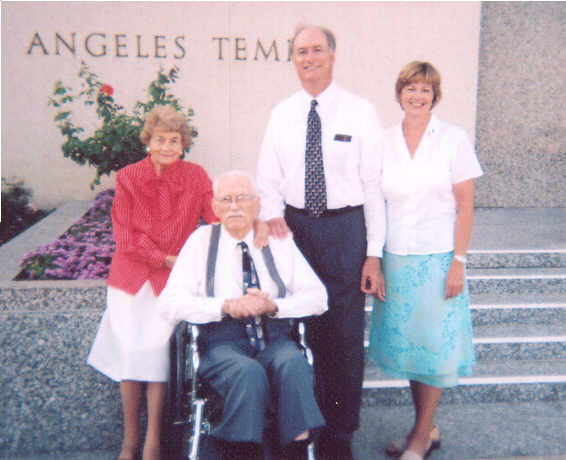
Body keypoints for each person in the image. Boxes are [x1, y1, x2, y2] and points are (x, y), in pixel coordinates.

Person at [86, 106, 269, 460]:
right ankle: (129, 441)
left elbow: (218, 214)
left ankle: (153, 440)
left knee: (156, 355)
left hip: (173, 282)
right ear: (148, 142)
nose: (167, 146)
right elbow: (125, 237)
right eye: (160, 140)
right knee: (130, 355)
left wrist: (254, 220)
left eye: (174, 140)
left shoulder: (197, 176)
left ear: (183, 144)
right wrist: (165, 259)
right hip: (133, 279)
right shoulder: (127, 177)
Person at [256, 24, 386, 459]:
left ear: (332, 55)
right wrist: (273, 216)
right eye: (300, 52)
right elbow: (268, 178)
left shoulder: (360, 112)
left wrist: (373, 255)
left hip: (345, 230)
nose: (308, 58)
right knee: (294, 329)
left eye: (316, 50)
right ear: (293, 60)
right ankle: (297, 427)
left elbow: (372, 186)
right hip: (294, 230)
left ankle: (339, 434)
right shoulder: (282, 113)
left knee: (343, 337)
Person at [157, 170, 327, 460]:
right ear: (215, 207)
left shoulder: (278, 241)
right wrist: (224, 305)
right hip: (222, 343)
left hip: (274, 337)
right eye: (226, 199)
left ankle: (295, 452)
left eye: (242, 198)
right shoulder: (200, 242)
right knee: (247, 372)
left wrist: (274, 306)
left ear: (257, 204)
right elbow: (169, 302)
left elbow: (319, 297)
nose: (234, 206)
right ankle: (243, 453)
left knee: (292, 364)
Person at [368, 61, 483, 460]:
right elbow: (375, 205)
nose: (417, 96)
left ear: (436, 96)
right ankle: (425, 428)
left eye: (426, 90)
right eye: (411, 88)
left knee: (433, 349)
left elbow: (465, 206)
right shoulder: (382, 140)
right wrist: (374, 260)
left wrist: (459, 262)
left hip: (438, 259)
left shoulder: (453, 139)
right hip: (396, 257)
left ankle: (419, 438)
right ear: (399, 92)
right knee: (414, 350)